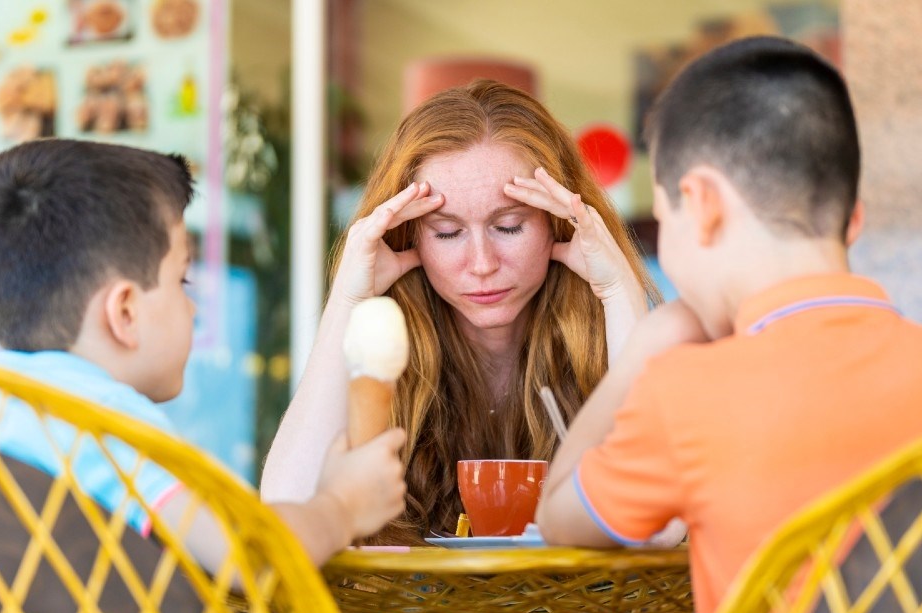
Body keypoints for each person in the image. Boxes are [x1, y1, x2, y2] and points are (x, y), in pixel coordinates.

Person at [535, 36, 922, 613]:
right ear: (852, 218)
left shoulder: (686, 393)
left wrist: (639, 358)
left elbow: (558, 518)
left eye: (665, 219)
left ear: (702, 204)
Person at [0, 138, 407, 567]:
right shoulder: (99, 420)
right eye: (181, 280)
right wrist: (341, 505)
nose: (192, 307)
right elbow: (243, 554)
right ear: (125, 312)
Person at [261, 80, 661, 543]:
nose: (482, 264)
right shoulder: (387, 343)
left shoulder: (612, 331)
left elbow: (660, 524)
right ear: (409, 233)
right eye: (447, 232)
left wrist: (617, 290)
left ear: (557, 221)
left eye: (508, 226)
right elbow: (287, 510)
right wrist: (348, 300)